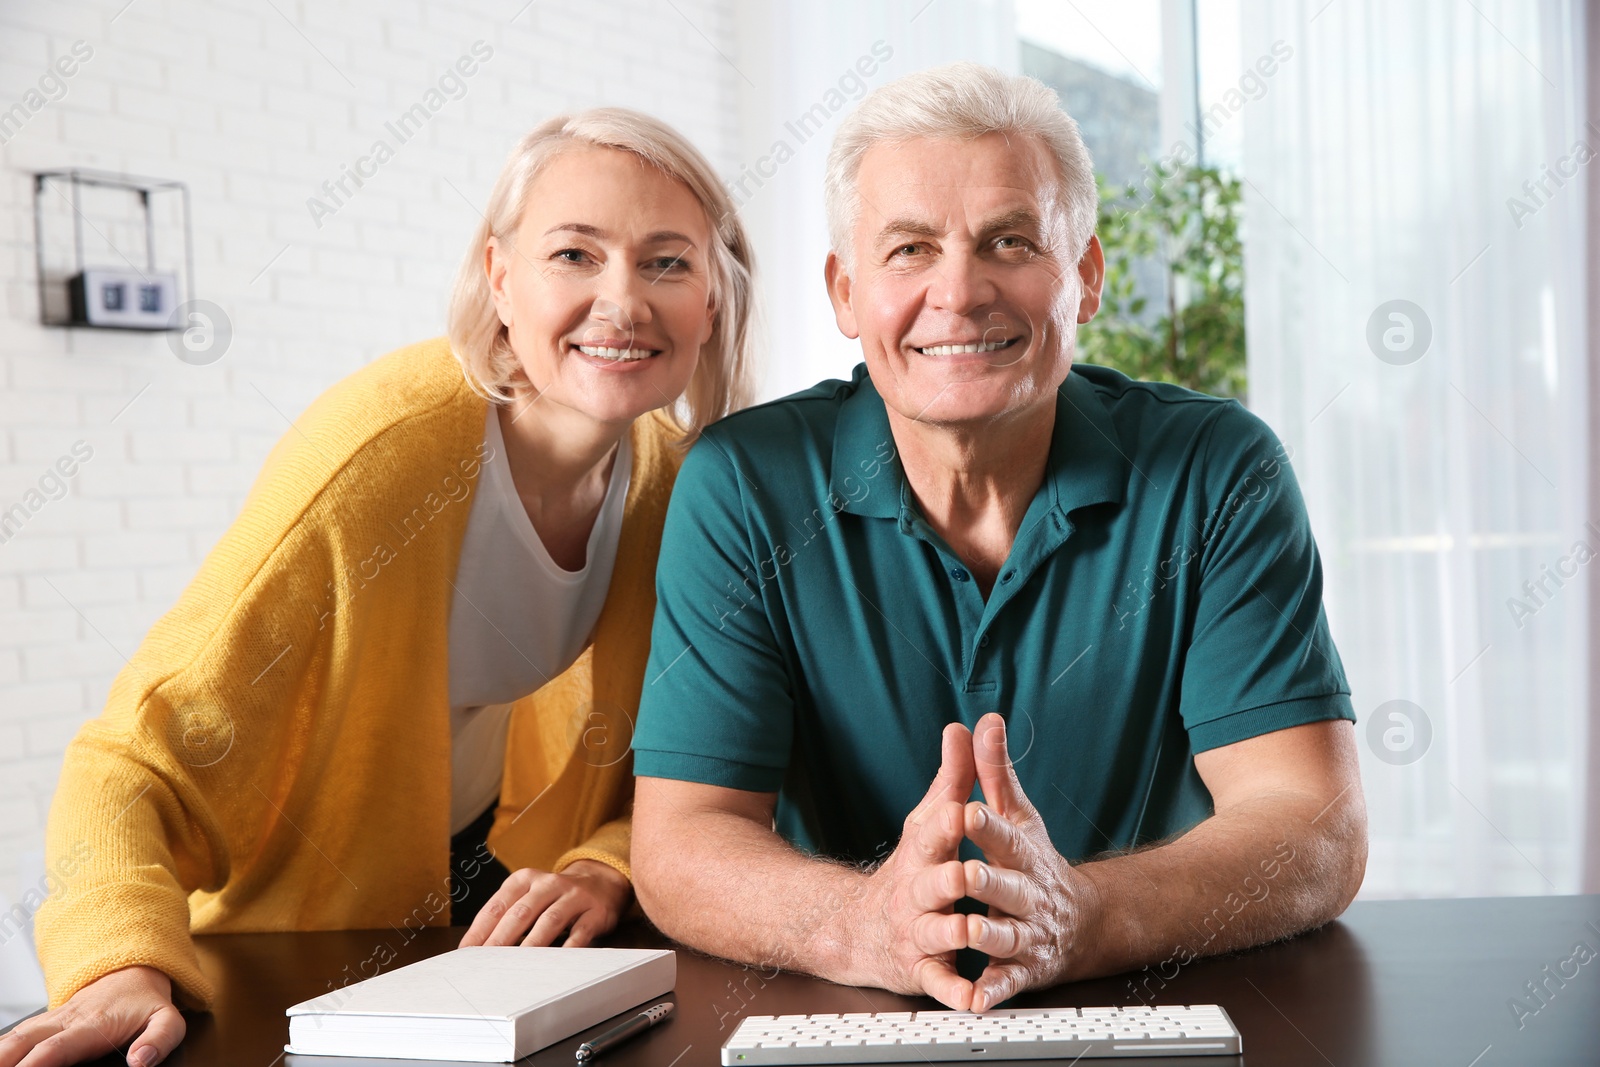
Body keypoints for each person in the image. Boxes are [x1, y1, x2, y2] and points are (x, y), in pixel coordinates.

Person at [6, 108, 754, 1067]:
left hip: (500, 918)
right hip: (304, 943)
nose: (623, 300)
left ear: (713, 298)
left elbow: (684, 759)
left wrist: (606, 863)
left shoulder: (678, 482)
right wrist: (115, 965)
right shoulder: (379, 458)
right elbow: (132, 761)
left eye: (666, 262)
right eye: (574, 254)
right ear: (499, 278)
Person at [629, 62, 1367, 1015]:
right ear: (845, 293)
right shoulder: (742, 484)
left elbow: (1310, 823)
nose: (960, 291)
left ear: (1086, 278)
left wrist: (1080, 914)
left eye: (1009, 241)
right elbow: (683, 840)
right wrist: (866, 925)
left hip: (1147, 1008)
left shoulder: (1219, 468)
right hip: (846, 1020)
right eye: (909, 250)